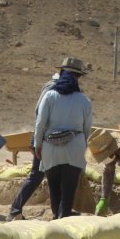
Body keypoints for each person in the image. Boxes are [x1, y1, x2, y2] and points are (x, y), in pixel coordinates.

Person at [34, 57, 93, 219]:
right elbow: (87, 129)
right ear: (78, 77)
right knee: (69, 188)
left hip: (50, 148)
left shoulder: (50, 96)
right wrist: (83, 146)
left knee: (54, 186)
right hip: (75, 146)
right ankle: (64, 216)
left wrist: (37, 145)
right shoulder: (84, 100)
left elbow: (40, 124)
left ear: (61, 74)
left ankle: (55, 216)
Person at [5, 70, 60, 222]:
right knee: (39, 175)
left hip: (41, 137)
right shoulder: (53, 89)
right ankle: (15, 210)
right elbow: (41, 116)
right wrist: (37, 142)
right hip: (44, 138)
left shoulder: (48, 87)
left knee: (46, 175)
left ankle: (56, 212)